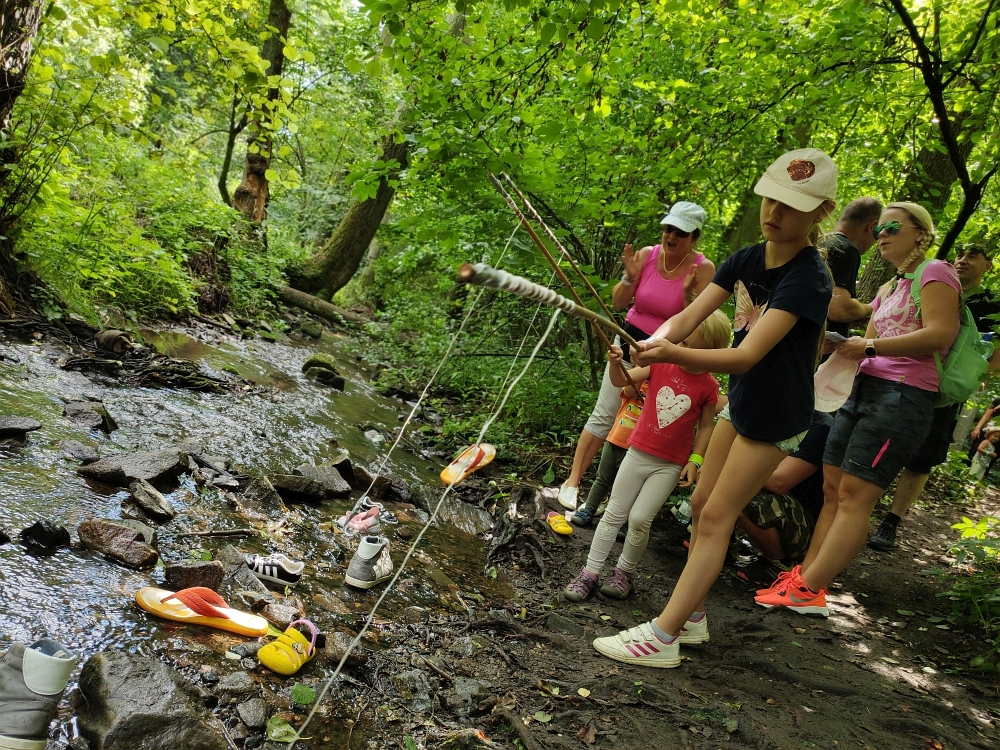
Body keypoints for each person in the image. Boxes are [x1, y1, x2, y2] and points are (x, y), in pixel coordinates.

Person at [589, 148, 836, 667]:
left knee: (719, 514)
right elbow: (692, 314)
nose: (774, 212)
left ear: (820, 212)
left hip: (776, 416)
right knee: (701, 505)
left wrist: (673, 353)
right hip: (744, 404)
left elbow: (746, 355)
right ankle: (694, 617)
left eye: (792, 205)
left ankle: (662, 636)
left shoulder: (809, 277)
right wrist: (651, 342)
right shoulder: (748, 257)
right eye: (771, 199)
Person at [758, 202, 961, 617]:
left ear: (921, 233)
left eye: (892, 226)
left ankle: (810, 589)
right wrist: (842, 346)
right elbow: (867, 343)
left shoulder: (936, 272)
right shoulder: (890, 288)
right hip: (862, 390)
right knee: (834, 490)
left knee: (855, 495)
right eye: (878, 228)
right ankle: (804, 578)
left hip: (903, 397)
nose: (881, 234)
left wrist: (869, 346)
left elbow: (940, 333)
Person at [555, 201, 716, 510]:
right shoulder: (647, 255)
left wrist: (686, 296)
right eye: (668, 229)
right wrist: (630, 278)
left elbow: (700, 322)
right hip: (628, 342)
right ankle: (572, 481)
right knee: (605, 412)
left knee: (641, 427)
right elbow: (617, 302)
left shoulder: (704, 269)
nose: (671, 237)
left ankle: (614, 500)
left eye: (680, 233)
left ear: (694, 237)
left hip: (666, 357)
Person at [563, 311, 730, 603]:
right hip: (637, 452)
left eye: (694, 348)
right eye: (684, 343)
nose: (684, 351)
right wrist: (616, 364)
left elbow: (705, 426)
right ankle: (589, 573)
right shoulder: (661, 365)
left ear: (712, 353)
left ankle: (624, 573)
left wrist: (696, 460)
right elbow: (622, 382)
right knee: (614, 512)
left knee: (640, 518)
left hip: (670, 463)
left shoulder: (709, 386)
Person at [867, 242, 1000, 551]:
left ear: (989, 265)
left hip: (944, 393)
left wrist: (973, 375)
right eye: (961, 254)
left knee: (923, 456)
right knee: (877, 438)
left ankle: (891, 523)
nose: (963, 260)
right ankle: (858, 505)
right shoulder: (934, 284)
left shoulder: (992, 305)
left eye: (973, 256)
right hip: (898, 377)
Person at [738, 410, 834, 566]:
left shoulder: (821, 427)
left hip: (808, 529)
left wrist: (727, 470)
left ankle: (780, 564)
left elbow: (779, 482)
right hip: (785, 509)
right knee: (731, 483)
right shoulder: (776, 415)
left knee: (739, 491)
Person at [823, 198, 883, 338]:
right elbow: (838, 309)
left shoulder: (818, 242)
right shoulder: (846, 249)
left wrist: (849, 317)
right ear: (872, 227)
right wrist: (869, 309)